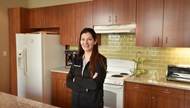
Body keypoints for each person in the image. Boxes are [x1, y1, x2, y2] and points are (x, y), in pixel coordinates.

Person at [66, 28, 107, 108]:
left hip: (92, 104)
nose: (85, 42)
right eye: (83, 39)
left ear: (95, 41)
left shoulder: (101, 60)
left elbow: (94, 84)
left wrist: (77, 79)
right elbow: (68, 82)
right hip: (76, 103)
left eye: (89, 39)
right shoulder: (77, 59)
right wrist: (86, 88)